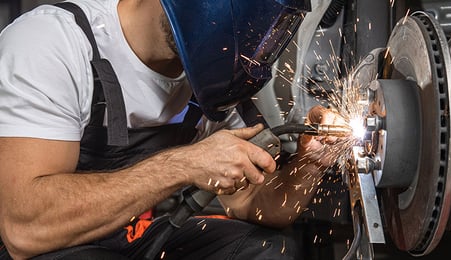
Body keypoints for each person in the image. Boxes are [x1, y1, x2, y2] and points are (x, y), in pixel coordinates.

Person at [0, 0, 345, 259]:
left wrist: (310, 163)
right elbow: (24, 227)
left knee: (267, 250)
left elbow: (256, 204)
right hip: (53, 246)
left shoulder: (214, 79)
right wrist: (185, 164)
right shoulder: (56, 43)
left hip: (138, 238)